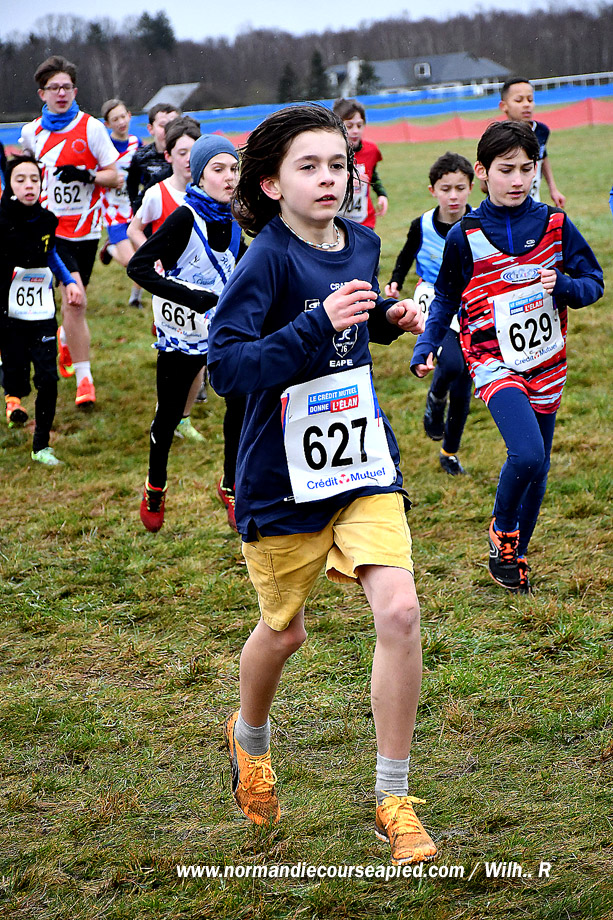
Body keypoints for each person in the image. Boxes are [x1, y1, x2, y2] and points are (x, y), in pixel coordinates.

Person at [208, 103, 437, 867]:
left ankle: (393, 798)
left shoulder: (361, 241)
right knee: (284, 631)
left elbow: (348, 319)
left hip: (361, 460)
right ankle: (250, 739)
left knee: (398, 610)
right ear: (272, 184)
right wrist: (317, 324)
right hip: (280, 477)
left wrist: (386, 318)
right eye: (307, 167)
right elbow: (227, 367)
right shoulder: (265, 261)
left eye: (337, 164)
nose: (327, 178)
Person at [411, 121, 603, 594]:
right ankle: (503, 530)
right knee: (528, 453)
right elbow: (445, 297)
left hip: (547, 363)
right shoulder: (465, 235)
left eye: (526, 168)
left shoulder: (556, 225)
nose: (518, 180)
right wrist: (426, 344)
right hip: (491, 361)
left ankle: (513, 555)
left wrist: (565, 286)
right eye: (506, 170)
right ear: (482, 172)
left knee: (539, 468)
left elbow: (593, 283)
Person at [127, 134, 243, 533]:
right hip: (182, 332)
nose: (229, 177)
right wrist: (191, 297)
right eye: (218, 169)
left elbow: (244, 266)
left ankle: (231, 485)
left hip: (225, 332)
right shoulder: (183, 218)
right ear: (199, 175)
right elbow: (138, 268)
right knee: (169, 415)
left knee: (239, 406)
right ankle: (155, 486)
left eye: (234, 169)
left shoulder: (236, 219)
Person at [20, 55, 120, 408]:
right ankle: (84, 380)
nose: (61, 93)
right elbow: (23, 175)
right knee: (76, 303)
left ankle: (65, 339)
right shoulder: (31, 133)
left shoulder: (91, 128)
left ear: (75, 91)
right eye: (54, 88)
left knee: (73, 302)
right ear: (42, 93)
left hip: (86, 232)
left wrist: (87, 175)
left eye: (66, 87)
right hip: (50, 231)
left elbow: (115, 175)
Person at [385, 152, 474, 475]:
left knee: (464, 383)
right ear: (432, 190)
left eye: (460, 188)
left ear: (471, 188)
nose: (453, 196)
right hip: (434, 297)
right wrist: (396, 280)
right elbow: (407, 254)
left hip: (470, 300)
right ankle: (435, 398)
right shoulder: (421, 225)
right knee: (451, 363)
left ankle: (449, 452)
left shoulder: (479, 223)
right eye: (445, 189)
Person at [127, 117, 207, 446]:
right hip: (169, 292)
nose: (188, 159)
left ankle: (183, 418)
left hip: (205, 291)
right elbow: (134, 229)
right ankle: (166, 417)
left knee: (200, 355)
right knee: (174, 356)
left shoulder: (212, 193)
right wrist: (153, 259)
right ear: (168, 155)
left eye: (194, 152)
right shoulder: (158, 194)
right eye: (182, 152)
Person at [0, 155, 82, 465]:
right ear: (9, 184)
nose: (29, 185)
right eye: (20, 180)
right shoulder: (2, 220)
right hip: (8, 312)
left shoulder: (47, 219)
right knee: (17, 375)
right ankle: (13, 398)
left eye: (34, 179)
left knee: (48, 378)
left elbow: (51, 254)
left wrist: (68, 281)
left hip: (42, 310)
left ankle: (41, 446)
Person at [98, 99, 143, 308]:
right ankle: (110, 248)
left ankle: (135, 299)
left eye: (123, 116)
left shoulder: (137, 143)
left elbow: (144, 171)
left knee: (143, 256)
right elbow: (96, 175)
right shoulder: (104, 147)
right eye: (115, 119)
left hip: (134, 208)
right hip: (112, 210)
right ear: (107, 124)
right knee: (129, 261)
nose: (121, 122)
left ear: (130, 116)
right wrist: (109, 180)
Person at [498, 77, 565, 208]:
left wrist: (553, 189)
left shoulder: (541, 131)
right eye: (519, 100)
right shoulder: (498, 135)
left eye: (530, 99)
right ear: (504, 106)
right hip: (505, 205)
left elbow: (542, 156)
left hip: (532, 203)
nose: (526, 105)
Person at [332, 98, 387, 231]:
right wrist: (348, 180)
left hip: (364, 220)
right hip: (336, 220)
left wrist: (381, 194)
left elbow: (372, 174)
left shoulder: (371, 150)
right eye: (349, 126)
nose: (355, 131)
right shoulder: (329, 152)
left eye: (359, 125)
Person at [126, 103, 180, 216]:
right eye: (163, 125)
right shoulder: (142, 156)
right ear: (151, 129)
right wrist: (137, 211)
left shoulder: (188, 155)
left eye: (174, 124)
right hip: (154, 213)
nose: (169, 130)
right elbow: (131, 187)